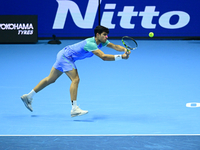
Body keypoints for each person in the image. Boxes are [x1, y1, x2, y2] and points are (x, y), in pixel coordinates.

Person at [21, 25, 131, 117]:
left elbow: (115, 46)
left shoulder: (102, 41)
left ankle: (28, 96)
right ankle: (74, 109)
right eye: (104, 35)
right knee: (75, 79)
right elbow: (104, 57)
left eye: (107, 35)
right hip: (66, 57)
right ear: (97, 35)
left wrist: (124, 49)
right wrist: (121, 57)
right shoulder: (91, 44)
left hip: (63, 54)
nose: (106, 37)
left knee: (50, 79)